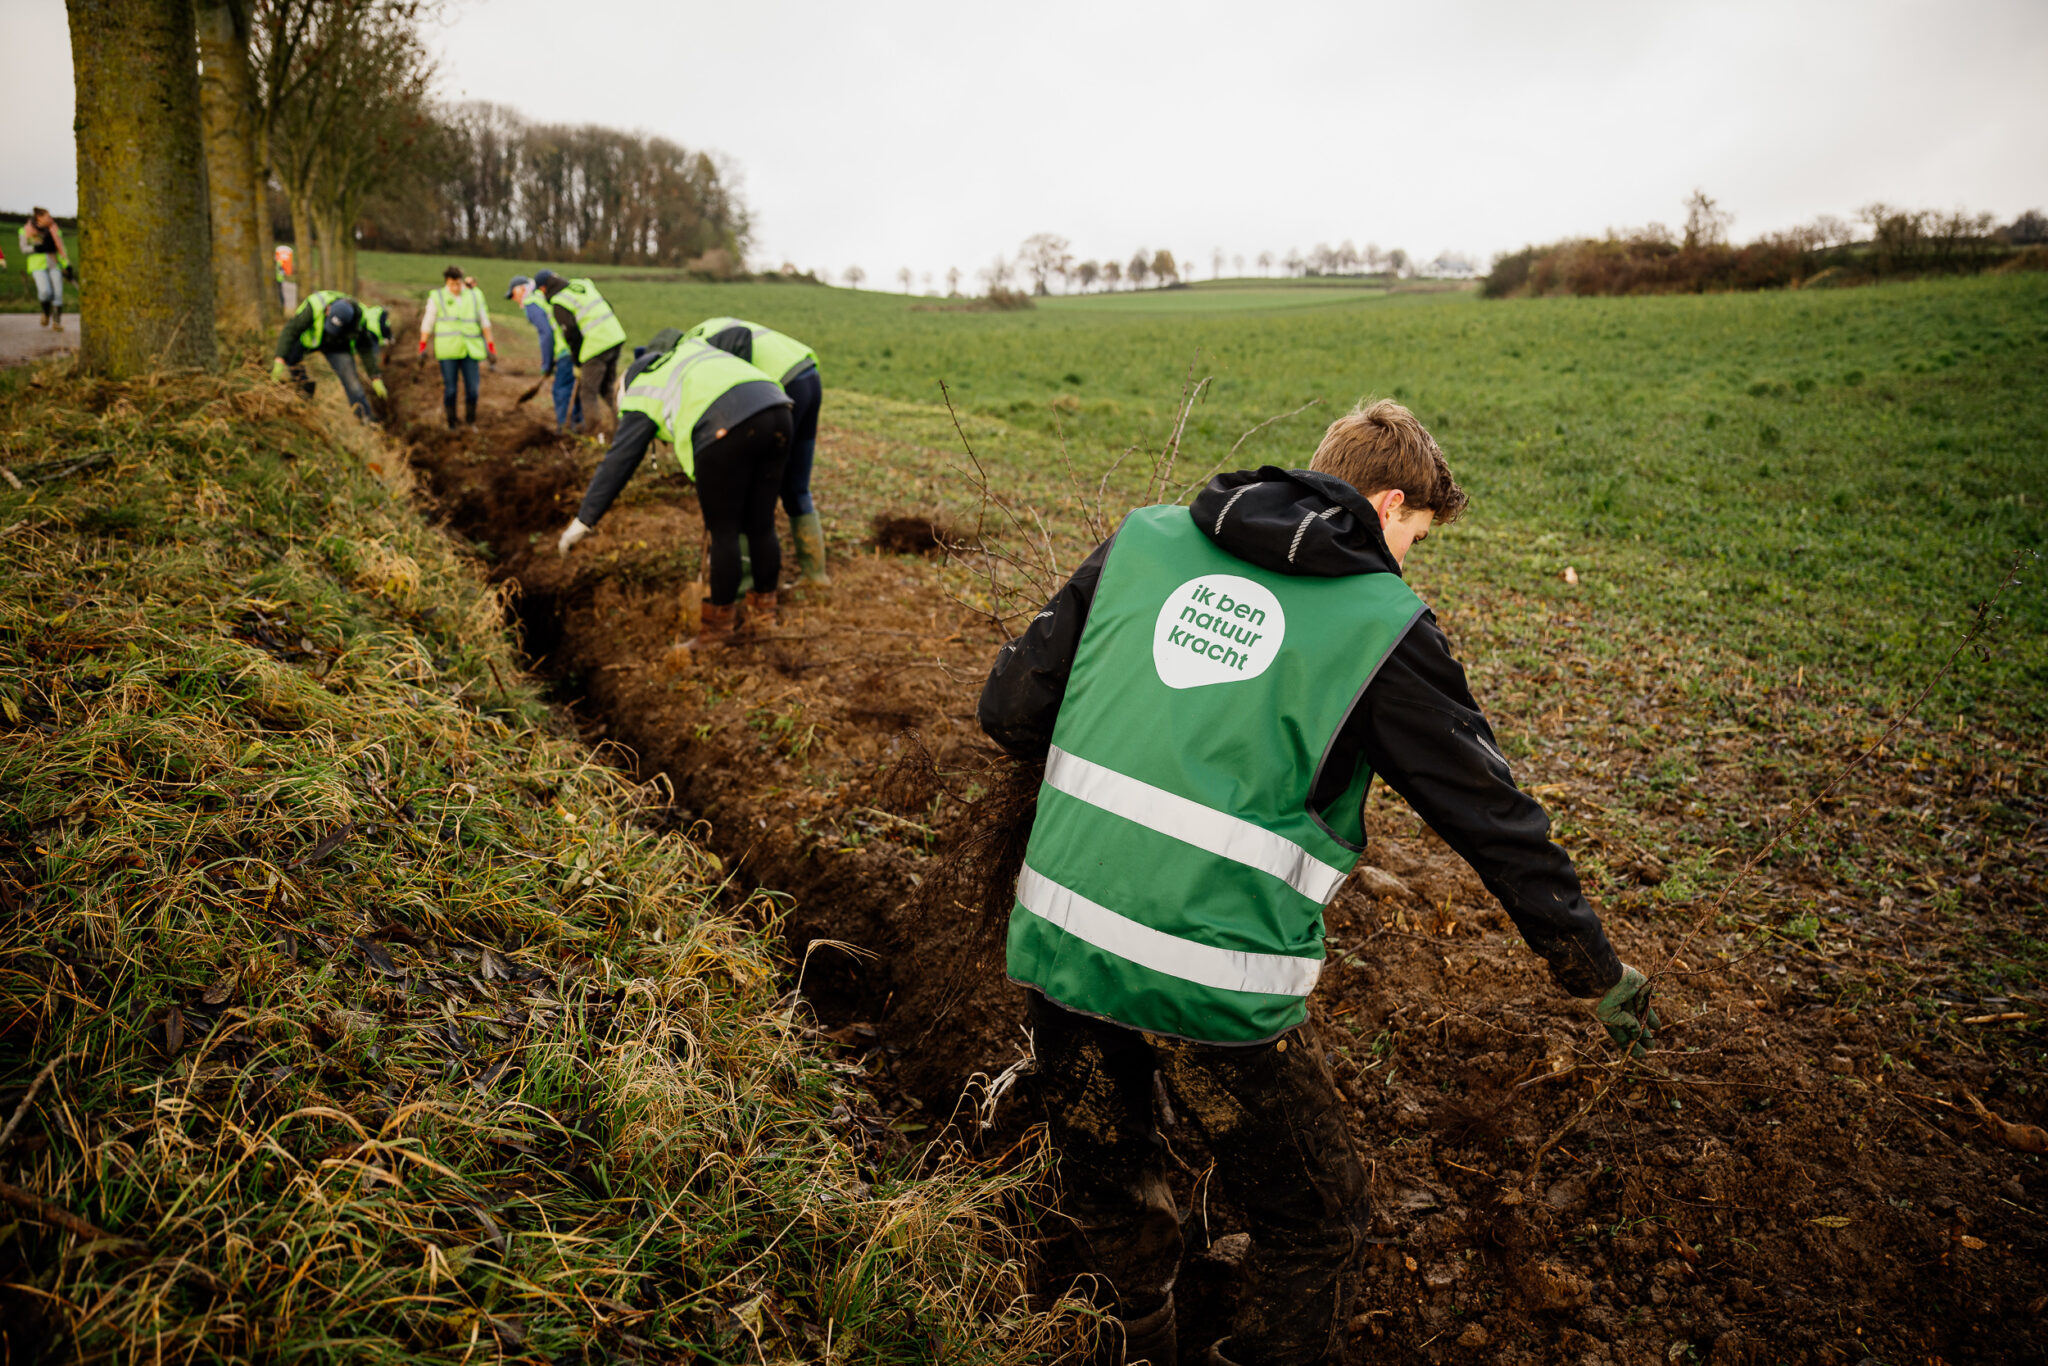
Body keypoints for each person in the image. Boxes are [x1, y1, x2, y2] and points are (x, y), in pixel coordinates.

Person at [975, 399, 1658, 1366]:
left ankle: (1133, 1344)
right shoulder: (1378, 622)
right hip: (1207, 981)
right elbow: (1489, 817)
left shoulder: (1142, 541)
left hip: (1060, 944)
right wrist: (1590, 966)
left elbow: (1008, 710)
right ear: (1387, 505)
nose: (1411, 557)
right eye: (1417, 535)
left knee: (1107, 1186)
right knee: (1318, 1221)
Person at [555, 329, 793, 647]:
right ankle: (765, 616)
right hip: (778, 408)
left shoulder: (641, 393)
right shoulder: (687, 355)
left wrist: (583, 520)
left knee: (724, 531)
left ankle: (716, 632)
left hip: (725, 424)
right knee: (761, 524)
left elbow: (617, 464)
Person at [682, 316, 829, 585]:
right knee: (797, 486)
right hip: (808, 375)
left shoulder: (688, 350)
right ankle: (815, 575)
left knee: (750, 492)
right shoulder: (708, 326)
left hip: (781, 386)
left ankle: (745, 581)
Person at [534, 270, 625, 434]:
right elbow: (607, 305)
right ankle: (623, 430)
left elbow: (572, 335)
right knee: (607, 389)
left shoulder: (559, 302)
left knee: (587, 393)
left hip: (596, 346)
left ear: (543, 288)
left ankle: (594, 434)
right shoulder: (582, 284)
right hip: (615, 337)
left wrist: (577, 362)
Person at [270, 290, 381, 423]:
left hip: (337, 347)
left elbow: (365, 348)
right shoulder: (315, 306)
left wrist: (375, 376)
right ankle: (303, 389)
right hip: (311, 339)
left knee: (352, 382)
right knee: (292, 357)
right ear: (328, 309)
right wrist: (280, 359)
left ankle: (365, 417)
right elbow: (291, 330)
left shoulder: (358, 320)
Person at [417, 264, 495, 428]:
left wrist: (490, 346)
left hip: (470, 349)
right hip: (448, 350)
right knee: (451, 389)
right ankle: (452, 422)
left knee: (473, 389)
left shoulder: (474, 296)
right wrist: (422, 346)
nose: (455, 288)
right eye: (452, 284)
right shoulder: (437, 297)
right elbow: (428, 322)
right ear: (447, 282)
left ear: (462, 281)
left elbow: (484, 321)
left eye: (458, 284)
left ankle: (470, 421)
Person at [507, 274, 582, 430]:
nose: (514, 299)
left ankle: (565, 428)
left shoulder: (531, 302)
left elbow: (546, 333)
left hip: (565, 349)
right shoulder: (541, 297)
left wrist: (547, 363)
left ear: (522, 289)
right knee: (575, 387)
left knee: (561, 389)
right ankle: (577, 423)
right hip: (576, 344)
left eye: (513, 294)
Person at [18, 209, 70, 331]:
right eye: (47, 217)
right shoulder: (25, 230)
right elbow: (23, 248)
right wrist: (36, 248)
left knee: (58, 292)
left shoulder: (55, 230)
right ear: (38, 217)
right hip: (37, 265)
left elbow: (61, 248)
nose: (50, 219)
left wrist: (66, 265)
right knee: (45, 292)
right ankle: (46, 313)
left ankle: (57, 322)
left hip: (54, 263)